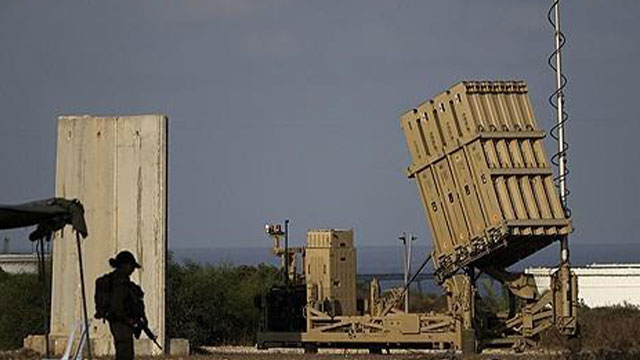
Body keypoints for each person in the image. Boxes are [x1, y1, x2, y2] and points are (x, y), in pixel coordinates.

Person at [95, 250, 144, 360]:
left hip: (119, 322)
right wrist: (129, 320)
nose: (132, 270)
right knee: (125, 354)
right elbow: (118, 306)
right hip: (121, 323)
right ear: (124, 265)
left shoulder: (118, 281)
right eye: (131, 266)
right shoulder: (119, 283)